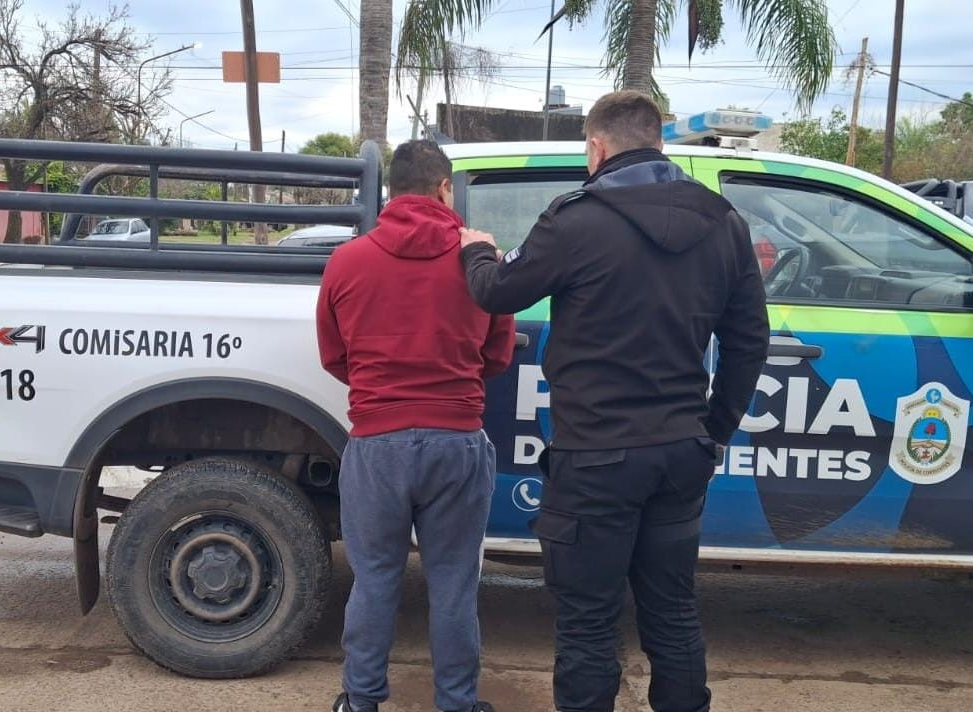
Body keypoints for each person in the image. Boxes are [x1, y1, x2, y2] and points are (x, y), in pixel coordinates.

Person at [459, 91, 770, 712]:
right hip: (680, 453)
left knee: (588, 624)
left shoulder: (575, 218)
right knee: (674, 613)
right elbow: (749, 342)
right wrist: (713, 431)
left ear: (597, 148)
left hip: (595, 457)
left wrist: (475, 248)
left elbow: (496, 291)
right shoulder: (726, 223)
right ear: (658, 143)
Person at [317, 139, 515, 712]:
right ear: (444, 188)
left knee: (375, 578)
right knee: (454, 582)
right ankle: (457, 702)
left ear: (390, 192)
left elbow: (334, 355)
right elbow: (497, 356)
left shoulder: (348, 261)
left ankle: (360, 701)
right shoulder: (479, 260)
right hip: (457, 440)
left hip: (377, 442)